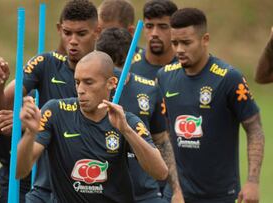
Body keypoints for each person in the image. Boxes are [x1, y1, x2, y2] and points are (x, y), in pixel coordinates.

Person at [16, 51, 168, 202]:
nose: (81, 90)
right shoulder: (55, 112)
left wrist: (126, 131)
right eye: (77, 82)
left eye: (88, 82)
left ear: (111, 83)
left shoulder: (127, 120)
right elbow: (19, 171)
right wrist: (30, 133)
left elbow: (160, 172)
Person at [0, 0, 99, 202]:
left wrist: (38, 123)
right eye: (67, 33)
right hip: (45, 185)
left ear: (97, 31)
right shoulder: (45, 63)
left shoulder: (106, 72)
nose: (73, 41)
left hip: (90, 185)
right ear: (59, 29)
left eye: (81, 34)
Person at [157, 8, 265, 203]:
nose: (179, 49)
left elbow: (254, 127)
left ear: (205, 39)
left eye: (186, 42)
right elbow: (166, 137)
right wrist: (175, 190)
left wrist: (252, 181)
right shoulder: (164, 77)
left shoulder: (228, 78)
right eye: (174, 43)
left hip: (219, 196)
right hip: (177, 196)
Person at [96, 27, 183, 203]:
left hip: (145, 195)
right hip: (101, 192)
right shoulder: (89, 90)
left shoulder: (149, 88)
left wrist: (176, 190)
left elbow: (161, 140)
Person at [130, 0, 177, 80]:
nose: (154, 33)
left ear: (175, 29)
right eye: (149, 26)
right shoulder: (129, 67)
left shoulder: (186, 67)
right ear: (143, 28)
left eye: (163, 26)